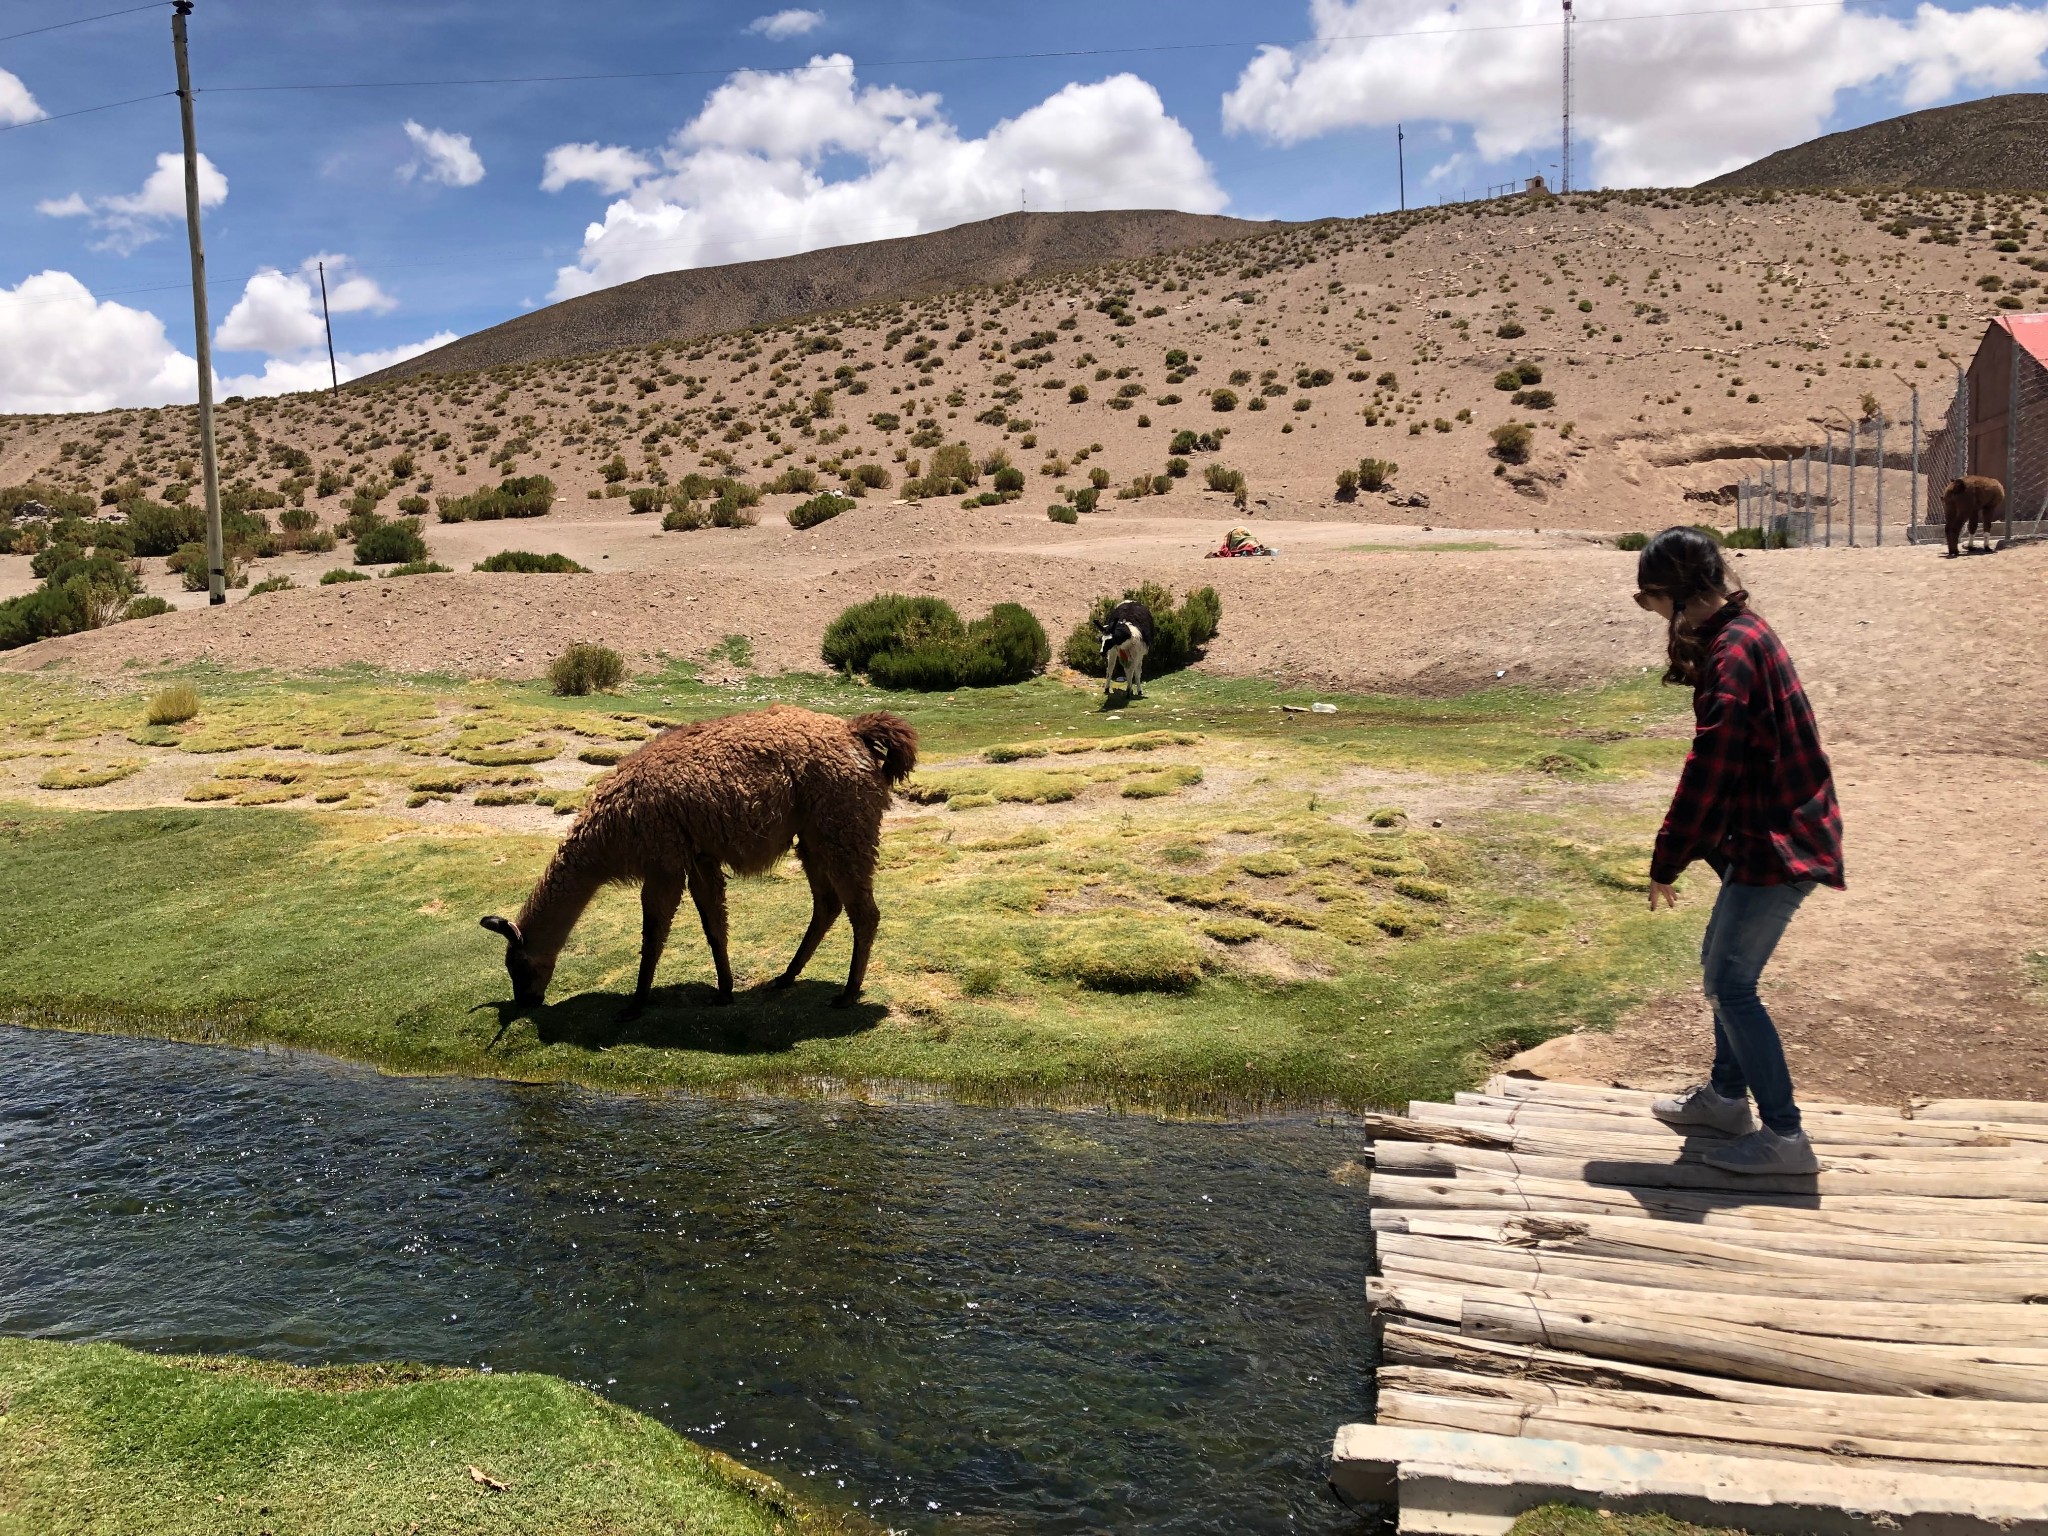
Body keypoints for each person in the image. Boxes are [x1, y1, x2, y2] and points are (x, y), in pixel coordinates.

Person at [1634, 527, 1843, 1174]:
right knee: (1719, 965)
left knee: (1731, 982)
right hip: (1768, 831)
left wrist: (1667, 857)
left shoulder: (1731, 653)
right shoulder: (1743, 632)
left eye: (1651, 600)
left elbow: (1711, 766)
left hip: (1780, 840)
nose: (1653, 615)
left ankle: (1786, 1139)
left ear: (1674, 592)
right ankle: (1727, 1100)